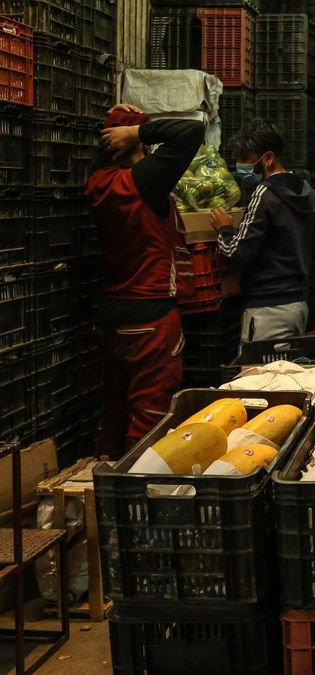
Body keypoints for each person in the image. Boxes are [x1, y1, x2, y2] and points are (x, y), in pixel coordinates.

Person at [85, 104, 205, 455]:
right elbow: (191, 132)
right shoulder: (142, 183)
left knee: (115, 410)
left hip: (113, 317)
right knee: (150, 417)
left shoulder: (97, 183)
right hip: (150, 318)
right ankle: (136, 483)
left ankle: (102, 472)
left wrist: (121, 126)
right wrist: (137, 132)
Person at [209, 119, 315, 342]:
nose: (240, 166)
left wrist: (224, 228)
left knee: (260, 365)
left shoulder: (264, 194)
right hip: (298, 305)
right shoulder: (307, 190)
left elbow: (236, 251)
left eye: (245, 159)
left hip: (267, 309)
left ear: (268, 159)